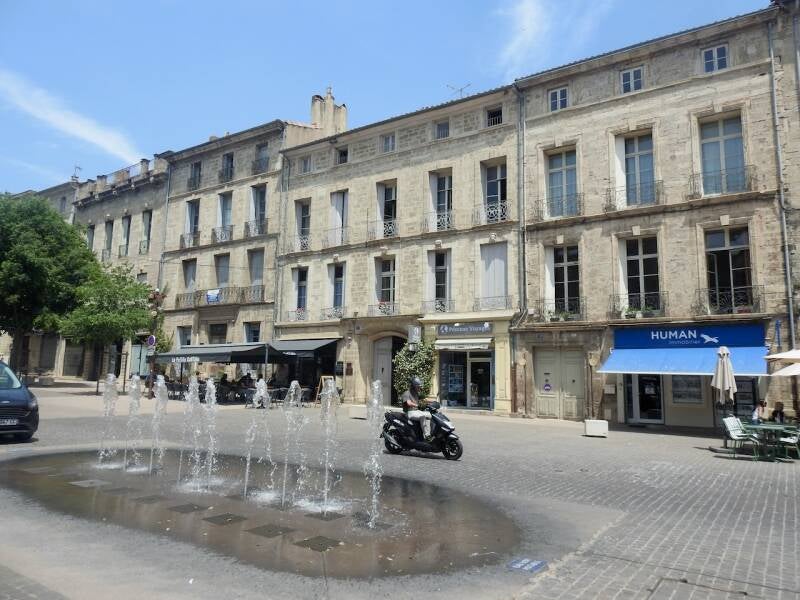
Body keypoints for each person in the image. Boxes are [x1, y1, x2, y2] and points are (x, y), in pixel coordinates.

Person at [401, 376, 432, 441]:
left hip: (416, 411)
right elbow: (408, 403)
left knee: (429, 415)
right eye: (418, 386)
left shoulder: (416, 393)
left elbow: (425, 399)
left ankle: (430, 433)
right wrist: (417, 405)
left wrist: (434, 402)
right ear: (413, 386)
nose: (419, 388)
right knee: (422, 417)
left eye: (419, 386)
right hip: (409, 412)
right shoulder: (406, 393)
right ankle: (427, 436)